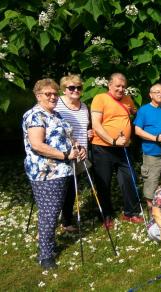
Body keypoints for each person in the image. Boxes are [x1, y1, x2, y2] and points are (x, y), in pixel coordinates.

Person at [22, 79, 85, 269]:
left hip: (62, 170)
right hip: (46, 172)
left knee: (53, 211)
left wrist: (78, 146)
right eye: (48, 94)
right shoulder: (34, 115)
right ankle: (46, 255)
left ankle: (48, 246)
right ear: (38, 95)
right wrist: (65, 154)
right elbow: (37, 145)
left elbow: (67, 136)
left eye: (55, 94)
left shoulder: (55, 115)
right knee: (49, 213)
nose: (52, 97)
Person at [91, 73, 143, 228]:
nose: (121, 89)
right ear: (109, 85)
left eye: (123, 86)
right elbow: (96, 124)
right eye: (117, 86)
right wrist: (112, 140)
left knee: (129, 179)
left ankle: (130, 212)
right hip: (103, 147)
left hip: (123, 148)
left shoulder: (128, 99)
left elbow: (138, 113)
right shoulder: (100, 98)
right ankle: (105, 215)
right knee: (103, 182)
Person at [55, 74, 93, 232]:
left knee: (72, 188)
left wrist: (88, 134)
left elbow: (83, 128)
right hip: (62, 153)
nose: (75, 90)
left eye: (78, 87)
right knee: (58, 189)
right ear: (64, 90)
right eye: (71, 88)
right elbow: (56, 131)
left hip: (80, 153)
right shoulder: (57, 105)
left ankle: (66, 221)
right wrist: (72, 145)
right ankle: (49, 223)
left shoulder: (84, 106)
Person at [134, 83, 161, 210]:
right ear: (150, 95)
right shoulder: (144, 110)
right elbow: (137, 130)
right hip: (151, 152)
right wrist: (155, 138)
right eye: (157, 92)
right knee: (151, 180)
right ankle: (151, 209)